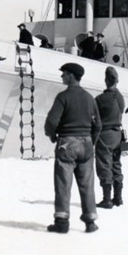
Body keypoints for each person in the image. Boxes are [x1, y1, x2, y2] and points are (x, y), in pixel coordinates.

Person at [44, 63, 102, 233]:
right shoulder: (90, 98)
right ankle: (90, 221)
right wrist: (91, 141)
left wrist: (51, 135)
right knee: (87, 184)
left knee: (63, 182)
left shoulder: (63, 97)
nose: (62, 76)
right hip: (86, 144)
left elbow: (51, 122)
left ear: (71, 76)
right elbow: (98, 125)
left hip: (67, 143)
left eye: (64, 73)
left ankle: (61, 222)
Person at [95, 67, 125, 209]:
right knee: (116, 164)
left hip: (105, 135)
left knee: (104, 165)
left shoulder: (101, 99)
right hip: (118, 135)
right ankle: (118, 198)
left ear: (106, 80)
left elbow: (93, 117)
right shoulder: (120, 98)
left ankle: (107, 199)